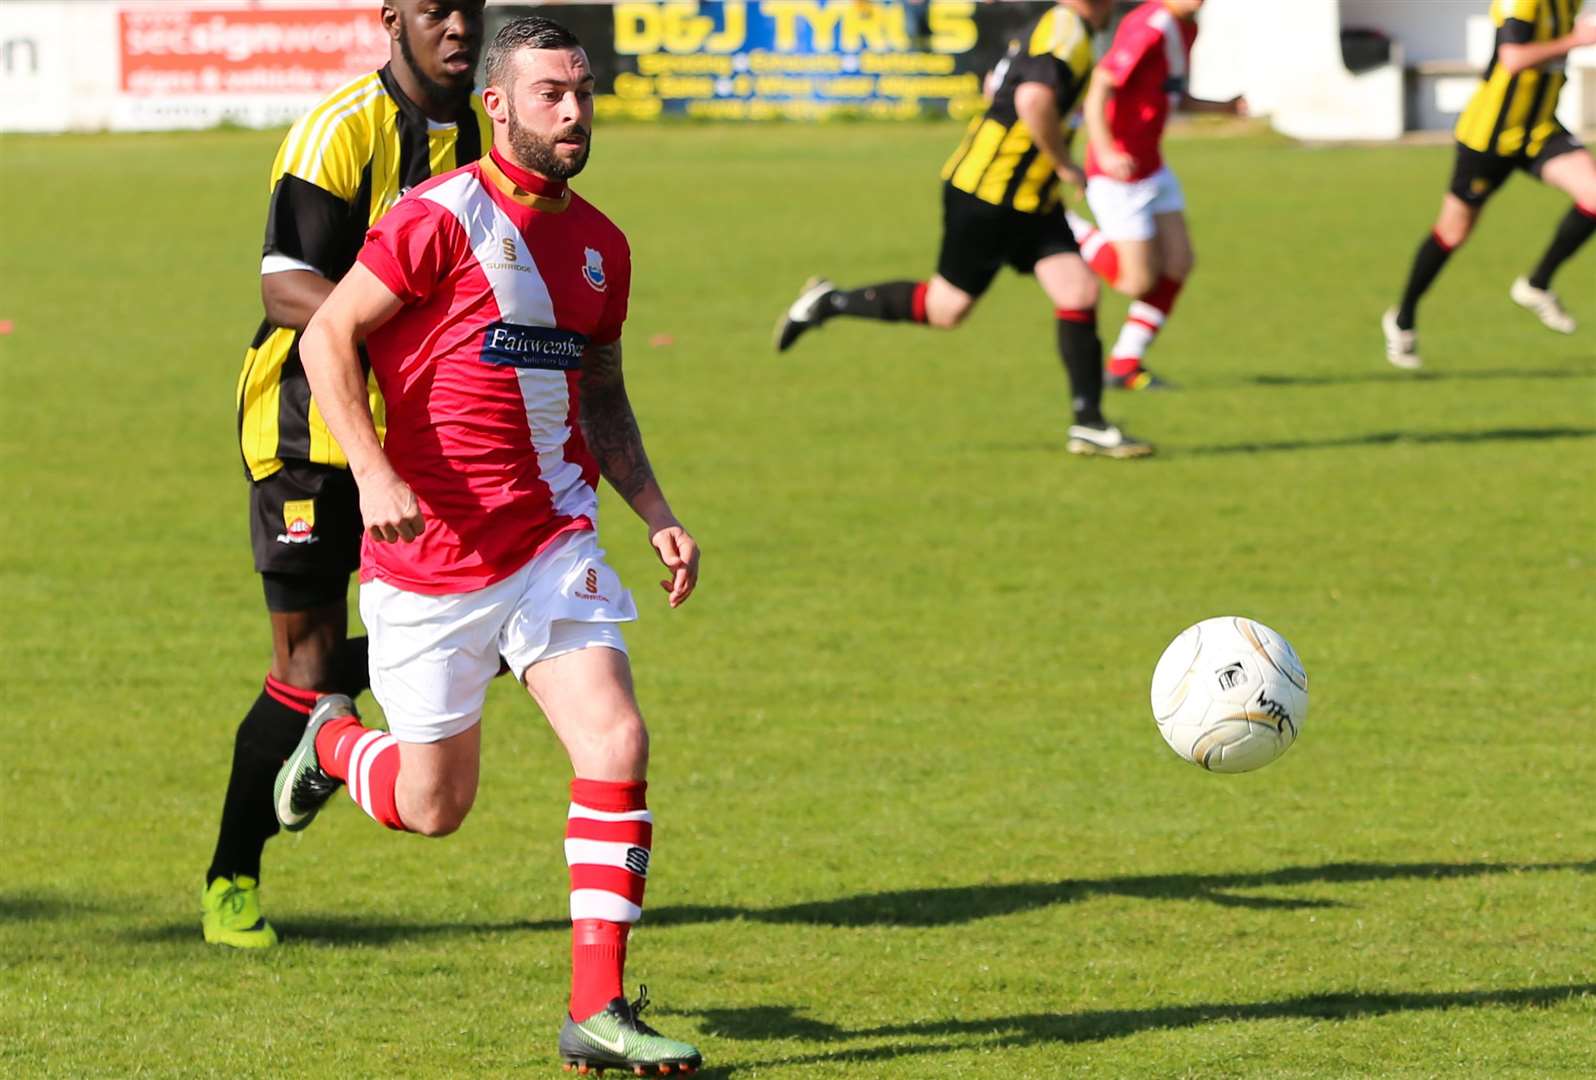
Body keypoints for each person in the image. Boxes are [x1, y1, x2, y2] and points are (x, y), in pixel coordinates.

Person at [277, 16, 704, 1075]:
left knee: (617, 743)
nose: (575, 112)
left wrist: (654, 507)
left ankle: (596, 1011)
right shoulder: (437, 219)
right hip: (429, 558)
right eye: (552, 95)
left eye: (585, 92)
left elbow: (601, 388)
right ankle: (335, 738)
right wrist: (373, 474)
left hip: (553, 540)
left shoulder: (605, 244)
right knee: (434, 807)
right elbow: (326, 333)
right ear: (499, 106)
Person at [204, 0, 490, 949]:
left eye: (471, 8)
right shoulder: (339, 130)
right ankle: (230, 880)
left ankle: (323, 741)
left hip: (419, 434)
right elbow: (283, 282)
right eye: (436, 9)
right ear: (391, 19)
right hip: (305, 435)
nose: (458, 26)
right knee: (306, 662)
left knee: (492, 627)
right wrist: (400, 326)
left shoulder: (473, 135)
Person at [773, 0, 1152, 459]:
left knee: (1078, 292)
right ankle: (829, 303)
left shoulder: (1057, 27)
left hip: (1029, 198)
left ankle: (1088, 422)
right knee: (946, 309)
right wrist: (1065, 164)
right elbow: (1031, 98)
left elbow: (1000, 84)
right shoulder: (1066, 30)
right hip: (989, 194)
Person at [1383, 0, 1596, 369]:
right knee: (1453, 233)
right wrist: (1576, 41)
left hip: (1539, 130)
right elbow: (1512, 57)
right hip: (1489, 137)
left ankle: (1536, 284)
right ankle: (1403, 317)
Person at [1068, 0, 1243, 390]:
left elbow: (1173, 95)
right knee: (1135, 282)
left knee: (1178, 263)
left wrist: (1224, 107)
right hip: (1120, 171)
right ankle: (1067, 230)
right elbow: (1100, 86)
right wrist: (1107, 149)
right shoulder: (1150, 25)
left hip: (1153, 167)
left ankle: (1125, 363)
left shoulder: (1186, 27)